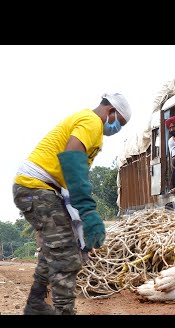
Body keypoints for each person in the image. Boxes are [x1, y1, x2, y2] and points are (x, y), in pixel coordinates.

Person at [12, 93, 131, 315]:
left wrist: (79, 219)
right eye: (119, 123)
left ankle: (36, 305)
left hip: (39, 188)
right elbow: (72, 160)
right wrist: (87, 210)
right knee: (66, 255)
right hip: (35, 187)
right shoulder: (92, 122)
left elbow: (73, 175)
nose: (117, 129)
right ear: (111, 112)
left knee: (54, 250)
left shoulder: (90, 123)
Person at [165, 115, 175, 194]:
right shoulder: (170, 141)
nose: (172, 129)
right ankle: (174, 186)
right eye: (170, 128)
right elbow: (173, 153)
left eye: (173, 127)